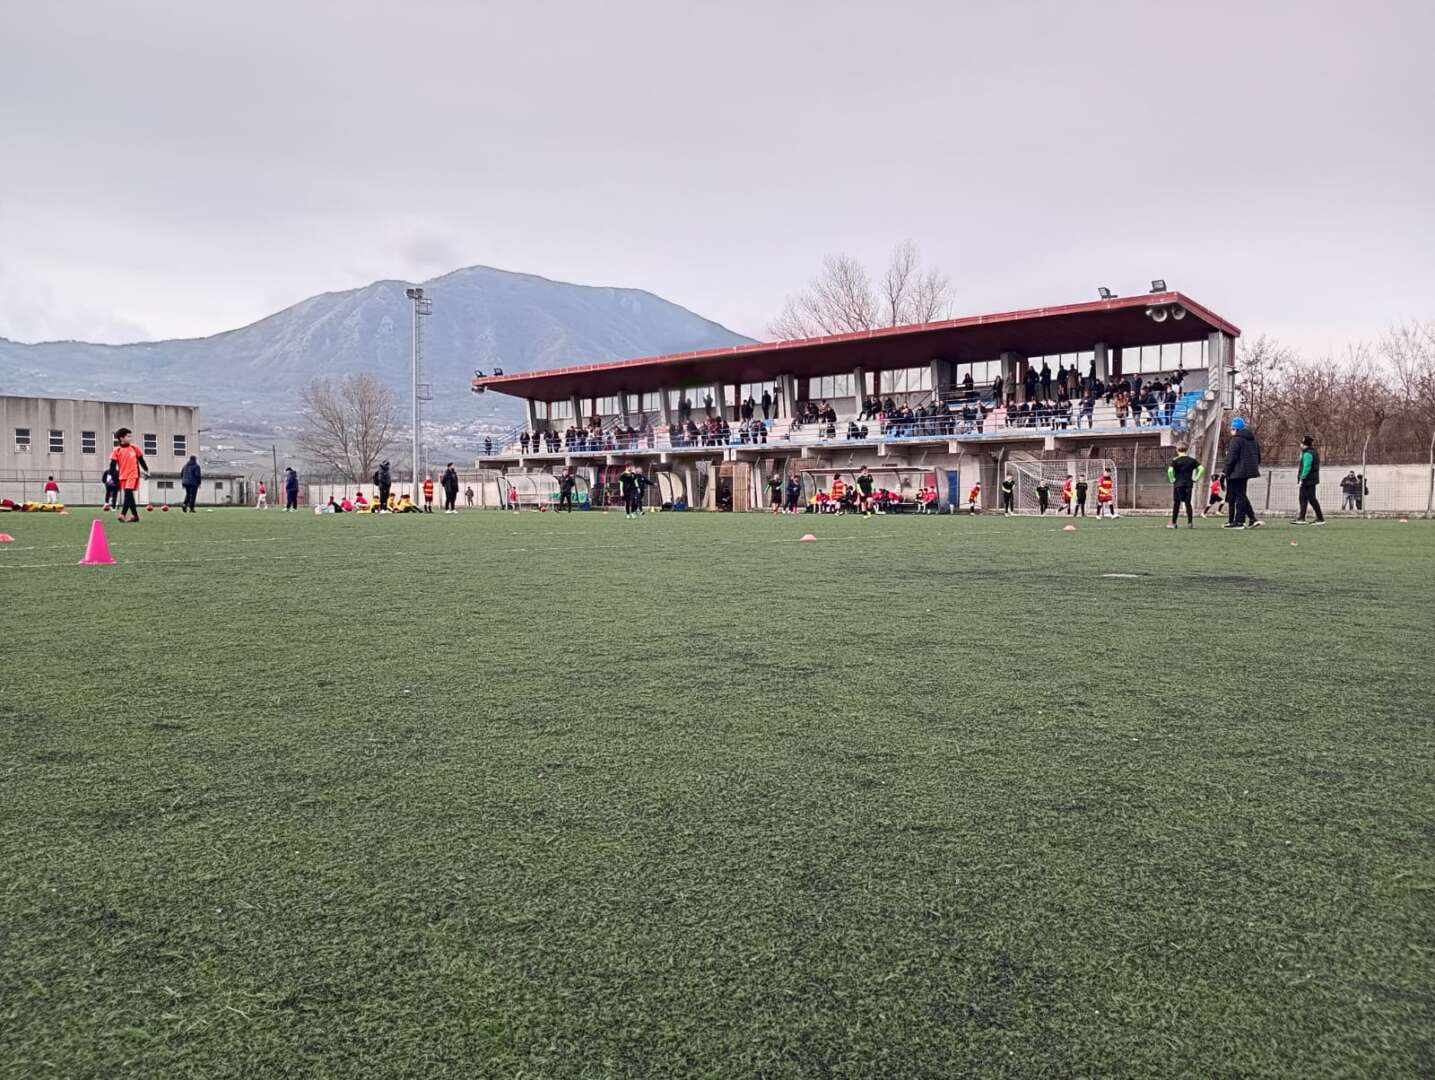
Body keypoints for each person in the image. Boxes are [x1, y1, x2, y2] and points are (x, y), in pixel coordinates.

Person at [1223, 417, 1262, 529]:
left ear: (1235, 429)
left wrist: (1226, 471)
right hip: (1248, 471)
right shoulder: (1253, 440)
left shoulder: (1236, 440)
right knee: (1242, 495)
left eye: (1232, 428)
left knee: (1240, 496)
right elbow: (1258, 456)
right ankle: (1251, 518)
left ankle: (1240, 521)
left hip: (1237, 472)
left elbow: (1231, 458)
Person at [109, 427, 149, 523]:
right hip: (123, 476)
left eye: (130, 436)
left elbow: (141, 460)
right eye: (128, 436)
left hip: (133, 474)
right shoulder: (116, 450)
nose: (130, 438)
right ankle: (135, 516)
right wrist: (110, 477)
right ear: (121, 438)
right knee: (129, 496)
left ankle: (123, 514)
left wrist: (146, 470)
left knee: (128, 493)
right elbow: (112, 465)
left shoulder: (134, 448)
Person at [1166, 444, 1205, 528]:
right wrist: (1196, 478)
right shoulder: (1192, 460)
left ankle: (1173, 523)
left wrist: (1172, 479)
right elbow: (1202, 469)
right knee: (1188, 503)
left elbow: (1170, 471)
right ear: (1186, 450)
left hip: (1178, 484)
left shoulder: (1175, 460)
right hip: (1188, 484)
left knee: (1176, 503)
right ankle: (1190, 523)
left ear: (1177, 450)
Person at [1292, 435, 1326, 525]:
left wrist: (1301, 479)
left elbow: (1306, 467)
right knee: (1303, 498)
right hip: (1310, 480)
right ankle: (1301, 518)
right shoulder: (1311, 452)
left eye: (1302, 443)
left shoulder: (1308, 454)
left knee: (1311, 499)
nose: (1300, 445)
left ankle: (1320, 518)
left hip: (1308, 480)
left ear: (1305, 445)